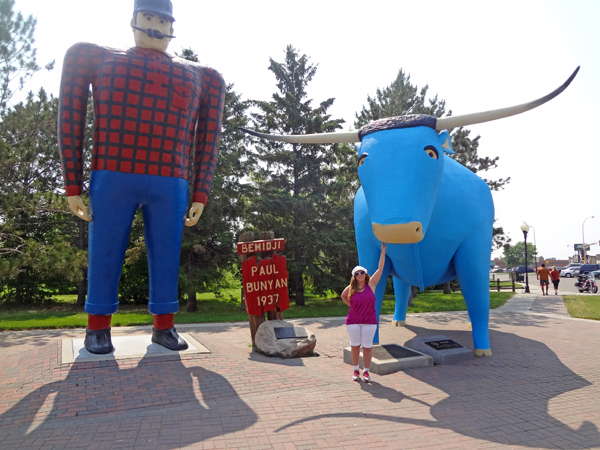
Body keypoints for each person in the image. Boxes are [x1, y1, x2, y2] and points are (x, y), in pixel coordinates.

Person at [57, 0, 225, 354]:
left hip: (171, 179)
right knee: (104, 249)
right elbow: (71, 117)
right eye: (148, 17)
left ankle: (164, 325)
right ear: (133, 21)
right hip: (113, 171)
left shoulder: (202, 76)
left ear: (172, 26)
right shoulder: (94, 57)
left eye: (162, 20)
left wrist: (201, 194)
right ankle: (97, 326)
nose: (155, 25)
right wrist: (72, 184)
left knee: (166, 254)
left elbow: (209, 138)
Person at [341, 243, 387, 383]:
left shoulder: (371, 284)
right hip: (353, 321)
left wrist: (383, 251)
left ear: (365, 274)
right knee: (355, 346)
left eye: (362, 273)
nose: (360, 275)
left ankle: (366, 372)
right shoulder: (351, 288)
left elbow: (380, 269)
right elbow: (343, 296)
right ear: (354, 276)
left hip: (369, 321)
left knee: (367, 347)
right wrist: (352, 306)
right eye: (357, 274)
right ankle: (356, 370)